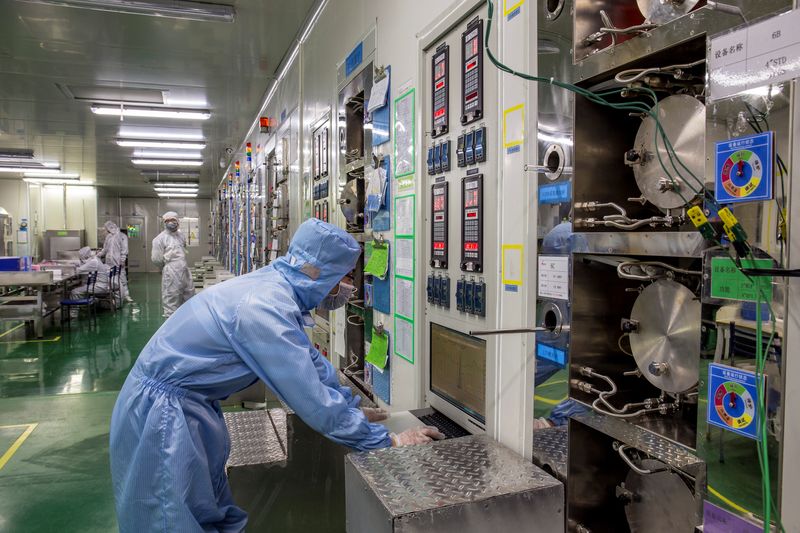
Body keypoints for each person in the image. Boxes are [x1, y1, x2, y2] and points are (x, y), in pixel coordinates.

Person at [110, 219, 442, 531]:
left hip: (189, 408)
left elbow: (311, 364)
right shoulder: (264, 307)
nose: (349, 288)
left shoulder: (277, 291)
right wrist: (388, 441)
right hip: (162, 415)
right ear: (318, 272)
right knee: (170, 517)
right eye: (345, 276)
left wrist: (350, 405)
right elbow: (310, 398)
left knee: (205, 509)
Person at [151, 212, 195, 318]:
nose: (171, 223)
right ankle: (171, 325)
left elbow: (184, 248)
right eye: (168, 221)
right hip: (171, 271)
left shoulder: (181, 235)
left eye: (173, 220)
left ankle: (186, 321)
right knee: (171, 296)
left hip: (184, 269)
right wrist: (165, 267)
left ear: (178, 222)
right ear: (164, 222)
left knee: (189, 294)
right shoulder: (159, 239)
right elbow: (156, 259)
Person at [69, 247, 110, 316]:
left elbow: (78, 271)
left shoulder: (93, 262)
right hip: (101, 285)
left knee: (74, 292)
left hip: (99, 287)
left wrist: (70, 267)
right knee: (82, 287)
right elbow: (84, 263)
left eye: (81, 257)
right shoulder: (94, 259)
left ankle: (73, 315)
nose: (81, 259)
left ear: (85, 255)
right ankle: (83, 306)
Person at [98, 221, 132, 303]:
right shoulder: (108, 237)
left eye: (107, 228)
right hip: (109, 261)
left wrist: (123, 259)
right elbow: (105, 249)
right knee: (111, 278)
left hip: (118, 261)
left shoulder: (122, 236)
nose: (107, 230)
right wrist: (97, 255)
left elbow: (124, 249)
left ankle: (126, 295)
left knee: (122, 277)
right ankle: (115, 296)